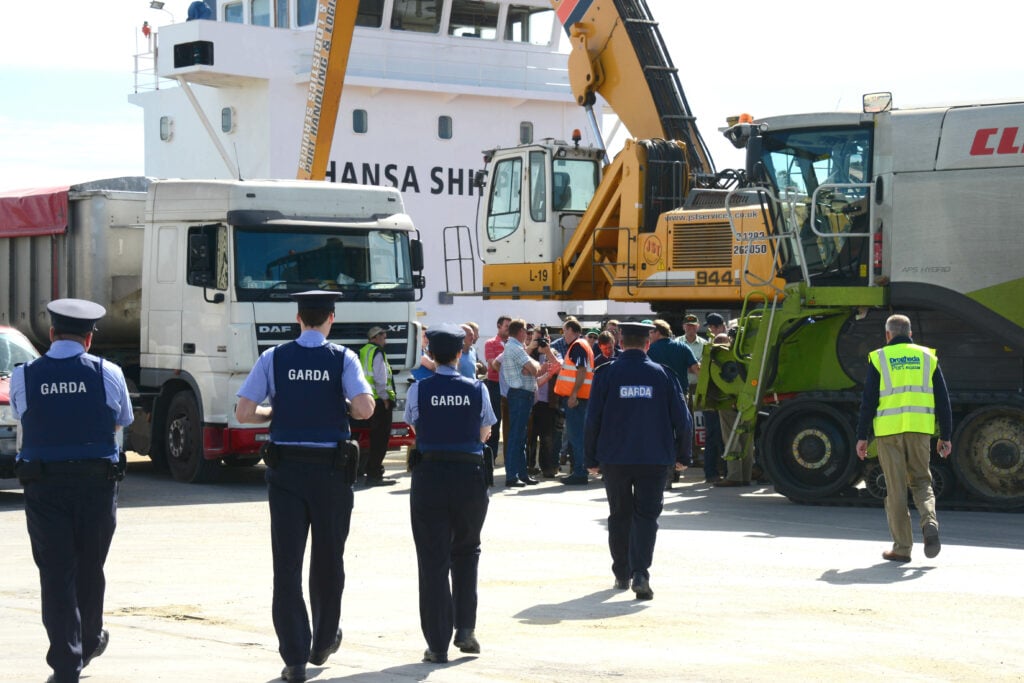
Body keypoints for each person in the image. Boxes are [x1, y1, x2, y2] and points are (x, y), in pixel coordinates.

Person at [235, 290, 375, 683]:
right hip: (331, 473)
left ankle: (294, 658)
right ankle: (324, 640)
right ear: (331, 318)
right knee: (329, 559)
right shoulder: (343, 357)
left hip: (286, 474)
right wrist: (342, 403)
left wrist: (273, 410)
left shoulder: (273, 357)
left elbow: (244, 413)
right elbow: (365, 409)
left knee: (287, 565)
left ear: (298, 318)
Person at [10, 299, 133, 683]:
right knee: (90, 567)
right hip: (96, 485)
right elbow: (122, 419)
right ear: (89, 338)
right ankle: (90, 638)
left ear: (50, 334)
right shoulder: (107, 373)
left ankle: (67, 660)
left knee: (56, 571)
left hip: (44, 486)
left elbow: (22, 415)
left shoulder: (24, 374)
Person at [404, 323, 497, 664]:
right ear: (460, 353)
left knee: (432, 559)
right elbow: (485, 431)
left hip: (430, 474)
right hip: (468, 475)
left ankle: (437, 644)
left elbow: (414, 424)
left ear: (430, 354)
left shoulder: (419, 389)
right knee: (467, 550)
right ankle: (466, 629)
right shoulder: (477, 388)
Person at [584, 322, 692, 600]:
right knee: (646, 516)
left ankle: (621, 572)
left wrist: (590, 458)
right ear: (648, 344)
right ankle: (640, 572)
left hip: (614, 458)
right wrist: (683, 455)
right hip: (654, 459)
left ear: (620, 341)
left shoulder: (606, 373)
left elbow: (592, 418)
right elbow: (683, 419)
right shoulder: (663, 375)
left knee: (620, 515)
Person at [855, 314, 953, 562]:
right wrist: (946, 435)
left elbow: (868, 401)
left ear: (887, 335)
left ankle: (902, 548)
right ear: (910, 334)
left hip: (889, 432)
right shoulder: (927, 357)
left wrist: (862, 436)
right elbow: (943, 399)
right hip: (920, 430)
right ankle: (929, 523)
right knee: (922, 481)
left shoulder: (879, 358)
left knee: (896, 489)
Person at [501, 319, 557, 487]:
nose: (528, 334)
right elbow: (535, 369)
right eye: (526, 331)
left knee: (521, 436)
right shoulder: (515, 348)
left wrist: (531, 368)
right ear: (520, 332)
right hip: (519, 395)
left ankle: (522, 474)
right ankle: (512, 476)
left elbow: (532, 369)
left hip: (522, 395)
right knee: (516, 436)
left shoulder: (518, 348)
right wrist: (532, 368)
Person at [554, 319, 595, 485]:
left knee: (576, 436)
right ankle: (580, 470)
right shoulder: (582, 345)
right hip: (581, 398)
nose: (563, 335)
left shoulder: (577, 345)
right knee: (578, 435)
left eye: (564, 331)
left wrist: (573, 395)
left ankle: (580, 472)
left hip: (577, 399)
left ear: (571, 330)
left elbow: (581, 370)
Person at [711, 333, 755, 488]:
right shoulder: (746, 355)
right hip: (748, 402)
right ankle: (746, 475)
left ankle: (734, 476)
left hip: (728, 402)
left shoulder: (720, 358)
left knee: (731, 438)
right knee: (747, 439)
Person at [358, 326, 398, 486]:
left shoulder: (364, 351)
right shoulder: (377, 352)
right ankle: (374, 475)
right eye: (383, 335)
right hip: (380, 402)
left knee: (375, 439)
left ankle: (372, 471)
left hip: (368, 399)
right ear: (375, 337)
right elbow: (380, 378)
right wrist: (385, 398)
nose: (385, 339)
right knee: (380, 440)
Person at [646, 319, 699, 396]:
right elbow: (697, 369)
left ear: (658, 332)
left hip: (658, 394)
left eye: (651, 332)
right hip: (680, 394)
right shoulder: (683, 347)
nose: (649, 336)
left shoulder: (649, 349)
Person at [483, 316, 510, 461]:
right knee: (495, 423)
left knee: (510, 425)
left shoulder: (514, 343)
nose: (508, 328)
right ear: (499, 326)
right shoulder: (491, 343)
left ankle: (508, 459)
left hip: (510, 387)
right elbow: (493, 364)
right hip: (495, 385)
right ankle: (491, 459)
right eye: (506, 326)